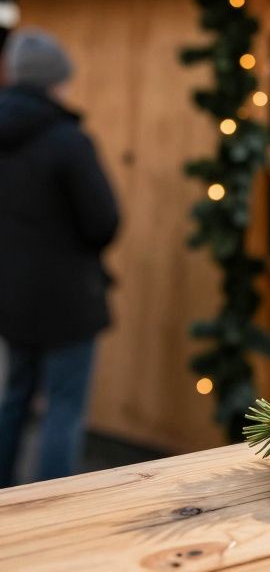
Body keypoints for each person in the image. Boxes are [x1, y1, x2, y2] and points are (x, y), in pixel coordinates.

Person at [0, 29, 119, 487]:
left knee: (14, 399)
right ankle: (54, 506)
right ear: (55, 80)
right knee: (63, 409)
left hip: (10, 293)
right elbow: (103, 222)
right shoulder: (68, 141)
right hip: (68, 298)